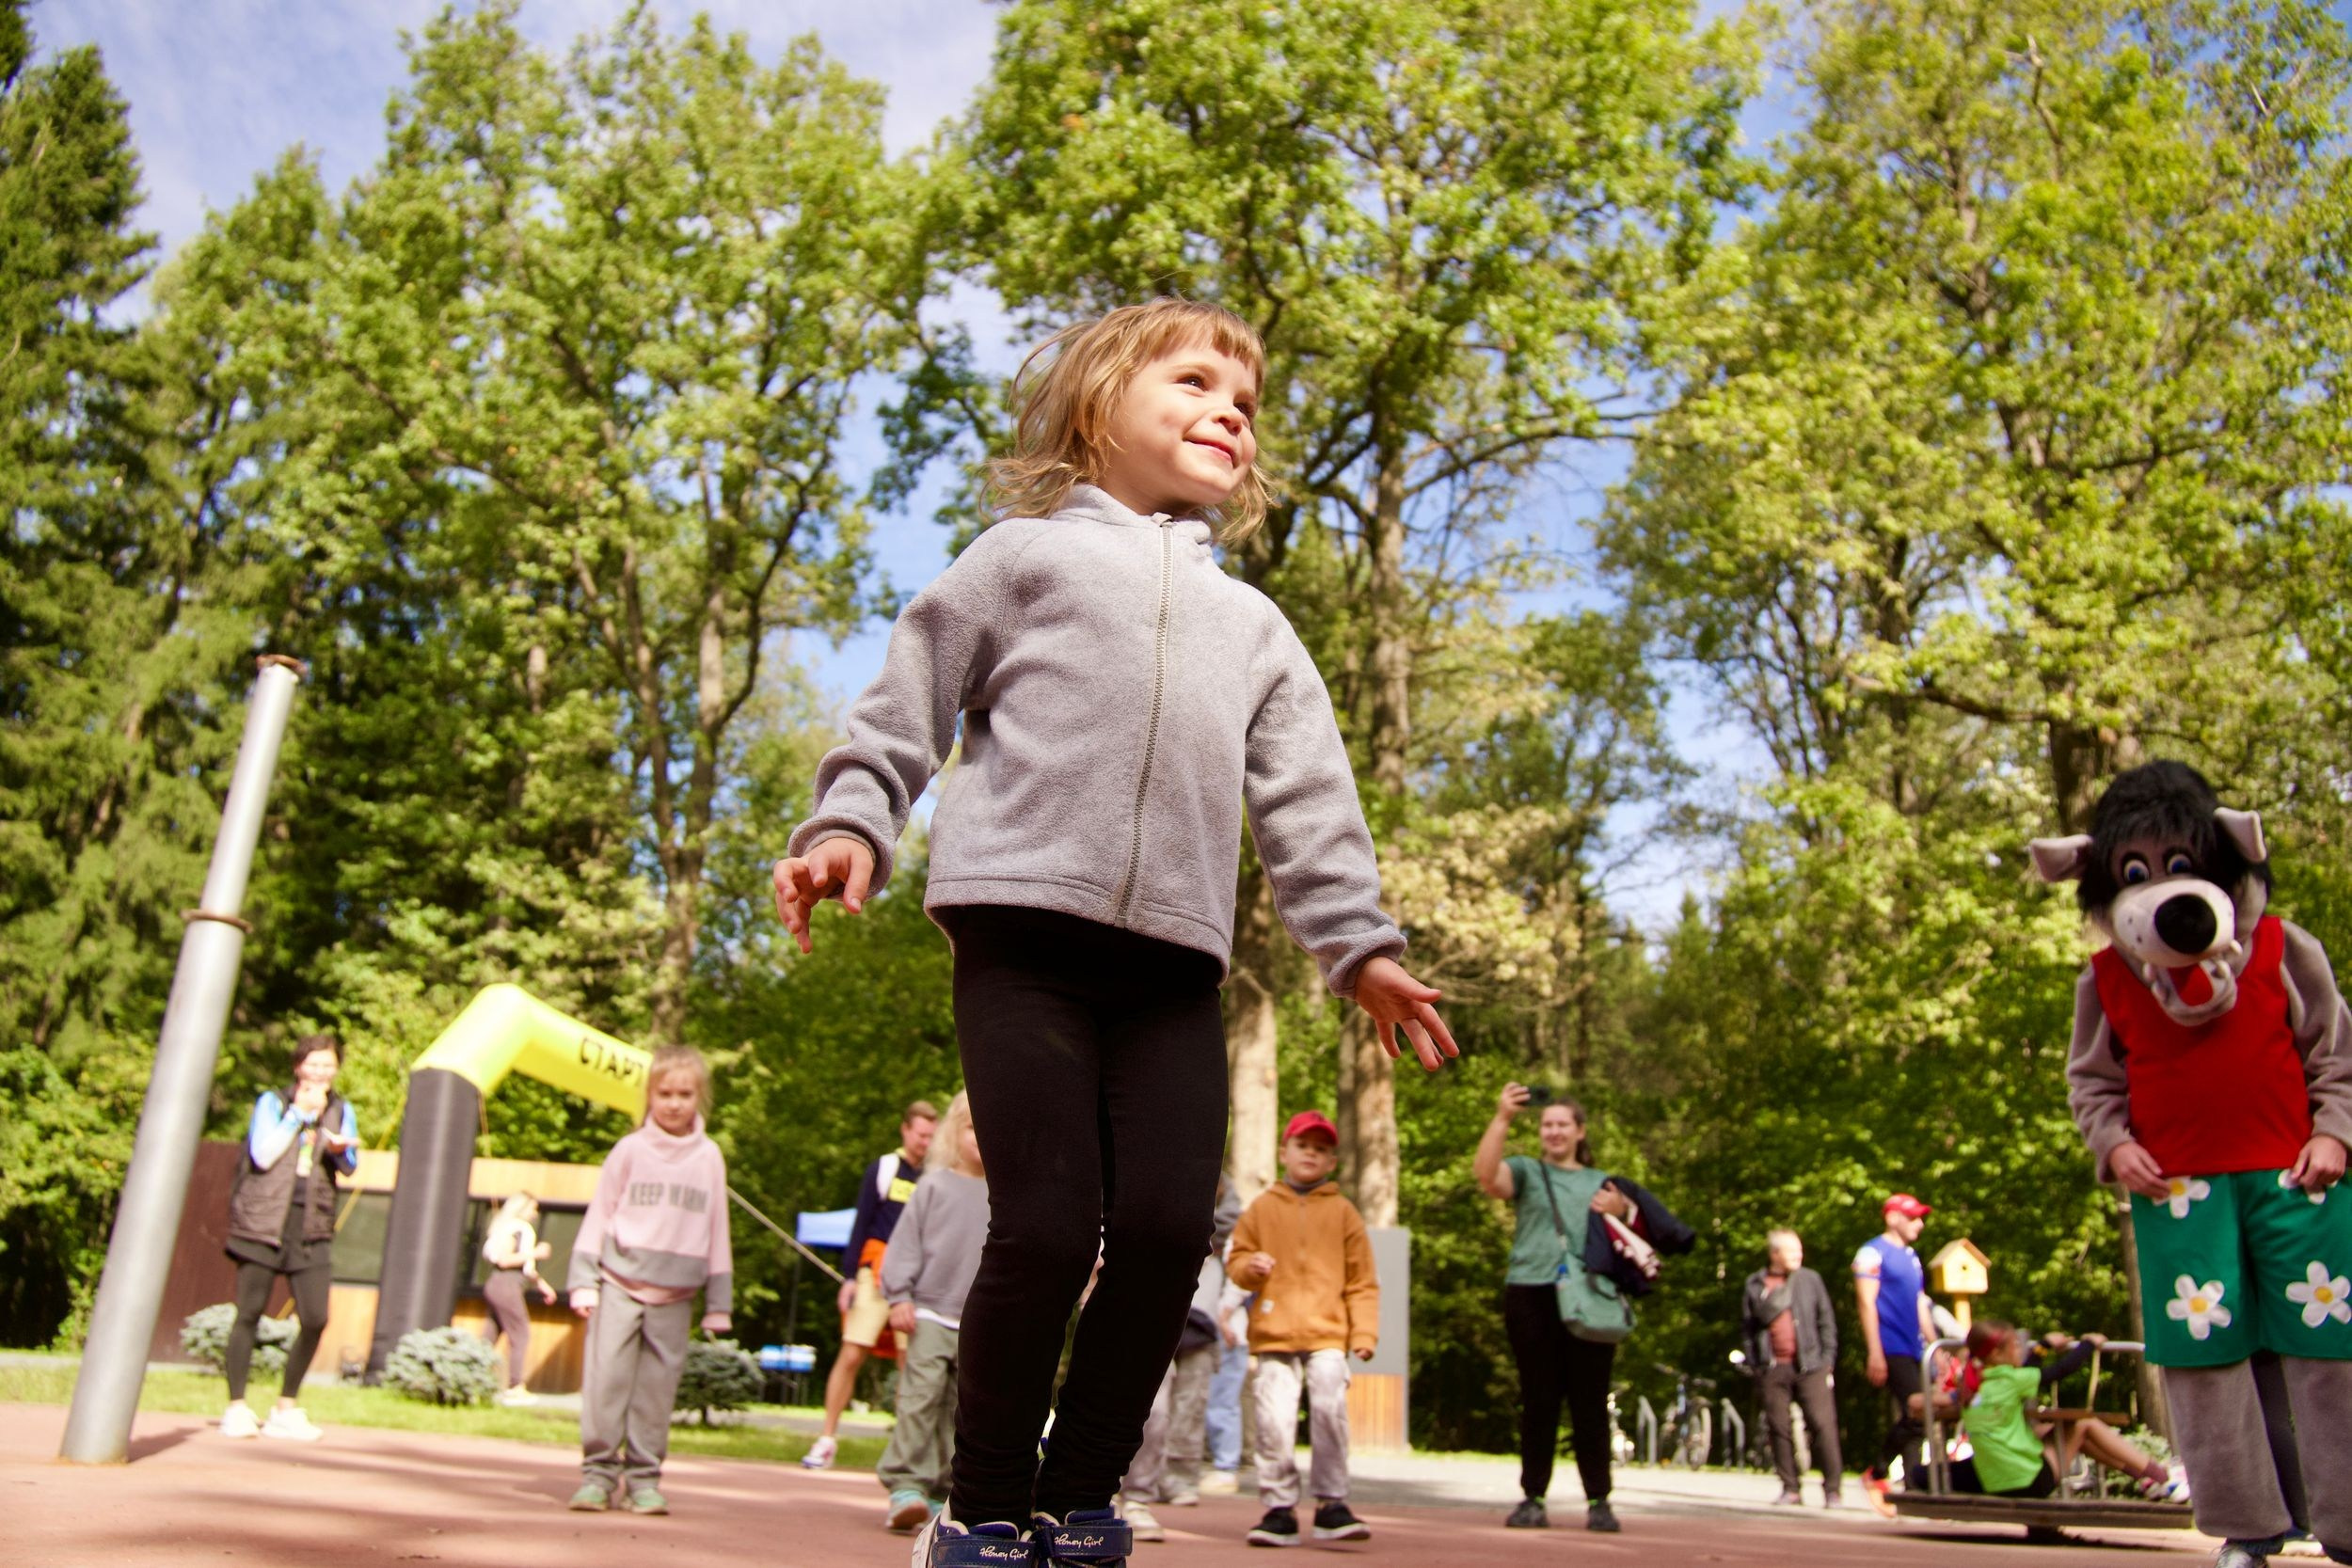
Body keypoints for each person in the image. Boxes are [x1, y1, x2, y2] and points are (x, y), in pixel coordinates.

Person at [773, 296, 1457, 1568]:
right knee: (1045, 1225)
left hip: (1170, 967)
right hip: (1023, 933)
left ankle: (1077, 1496)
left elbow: (1308, 799)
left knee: (1159, 1234)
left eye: (1246, 403)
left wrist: (1358, 946)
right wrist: (854, 821)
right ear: (1099, 406)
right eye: (1194, 382)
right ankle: (981, 1507)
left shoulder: (1252, 625)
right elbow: (906, 701)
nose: (1229, 414)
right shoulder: (1019, 559)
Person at [1474, 1084, 1692, 1535]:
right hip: (1532, 1292)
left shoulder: (1604, 1183)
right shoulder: (1528, 1171)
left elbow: (1649, 1232)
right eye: (1547, 1124)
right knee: (1539, 1400)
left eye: (1562, 1124)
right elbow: (1487, 1177)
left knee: (1590, 1402)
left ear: (1579, 1131)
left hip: (1591, 1297)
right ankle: (1532, 1498)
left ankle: (1599, 1501)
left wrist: (1623, 1209)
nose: (1554, 1131)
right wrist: (1502, 1117)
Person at [566, 1044, 734, 1516]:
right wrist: (583, 1279)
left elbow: (717, 1227)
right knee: (606, 1382)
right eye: (665, 1094)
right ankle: (597, 1476)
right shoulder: (630, 1149)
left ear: (699, 1097)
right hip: (619, 1282)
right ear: (650, 1096)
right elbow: (600, 1213)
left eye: (685, 1094)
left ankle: (643, 1480)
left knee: (656, 1393)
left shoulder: (709, 1157)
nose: (674, 1103)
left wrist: (719, 1302)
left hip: (676, 1293)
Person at [1225, 1112, 1378, 1548]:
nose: (1311, 1154)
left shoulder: (1344, 1212)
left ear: (1332, 1161)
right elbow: (1237, 1262)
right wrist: (1251, 1268)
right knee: (1274, 1419)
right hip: (1274, 1333)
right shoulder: (1262, 1208)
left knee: (1330, 1409)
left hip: (1328, 1335)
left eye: (1321, 1149)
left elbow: (1363, 1280)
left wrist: (1364, 1334)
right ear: (1284, 1153)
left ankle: (1332, 1504)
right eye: (1303, 1146)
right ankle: (1279, 1509)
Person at [217, 1033, 359, 1442]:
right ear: (298, 1067)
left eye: (328, 1065)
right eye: (313, 1064)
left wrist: (340, 1150)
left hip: (311, 1225)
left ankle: (286, 1407)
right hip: (263, 1222)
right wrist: (298, 1115)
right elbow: (262, 1154)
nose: (320, 1072)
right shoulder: (273, 1102)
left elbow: (350, 1165)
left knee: (316, 1317)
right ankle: (237, 1407)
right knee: (249, 1312)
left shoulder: (341, 1109)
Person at [877, 1092, 991, 1533]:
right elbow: (905, 1244)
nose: (980, 1137)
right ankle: (905, 1483)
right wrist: (899, 1296)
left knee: (962, 1408)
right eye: (972, 1127)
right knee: (920, 1398)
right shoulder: (933, 1186)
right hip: (928, 1312)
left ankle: (943, 1490)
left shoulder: (1006, 1195)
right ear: (953, 1132)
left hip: (979, 1323)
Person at [804, 1100, 939, 1472]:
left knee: (910, 1363)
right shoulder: (884, 1168)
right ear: (905, 1130)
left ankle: (905, 1452)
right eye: (921, 1134)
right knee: (852, 1353)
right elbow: (861, 1223)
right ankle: (826, 1439)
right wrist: (849, 1277)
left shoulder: (935, 1176)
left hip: (917, 1279)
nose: (926, 1142)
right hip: (875, 1272)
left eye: (932, 1136)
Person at [1120, 1175, 1243, 1540]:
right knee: (1152, 1406)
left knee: (1191, 1403)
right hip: (1150, 1305)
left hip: (1201, 1317)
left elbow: (1233, 1229)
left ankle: (1176, 1479)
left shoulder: (1221, 1187)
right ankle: (1130, 1489)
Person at [1933, 1323, 2172, 1498]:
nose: (2020, 1350)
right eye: (2015, 1345)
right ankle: (2164, 1477)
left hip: (1996, 1482)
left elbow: (2030, 1371)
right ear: (1996, 1354)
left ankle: (2146, 1478)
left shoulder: (1973, 1387)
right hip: (2029, 1480)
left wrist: (2043, 1346)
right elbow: (2060, 1370)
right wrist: (2089, 1344)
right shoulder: (2009, 1380)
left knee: (2068, 1432)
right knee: (2083, 1424)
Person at [1740, 1228, 1843, 1508]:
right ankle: (1791, 1488)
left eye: (1799, 1249)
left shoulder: (1810, 1280)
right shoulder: (1755, 1284)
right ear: (1775, 1254)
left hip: (1811, 1365)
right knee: (1778, 1428)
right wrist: (1756, 1364)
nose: (1799, 1254)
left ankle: (1833, 1490)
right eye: (1792, 1250)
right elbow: (1748, 1328)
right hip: (1773, 1367)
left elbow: (1826, 1321)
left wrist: (1827, 1360)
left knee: (1823, 1426)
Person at [1853, 1193, 1936, 1514]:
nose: (1920, 1224)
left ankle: (1913, 1489)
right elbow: (1866, 1302)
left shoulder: (1912, 1256)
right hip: (1890, 1345)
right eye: (1913, 1217)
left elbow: (1920, 1302)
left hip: (1915, 1347)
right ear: (1892, 1218)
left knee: (1919, 1416)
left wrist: (1936, 1347)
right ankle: (1877, 1472)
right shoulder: (1872, 1252)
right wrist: (1875, 1351)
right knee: (1919, 1410)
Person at [481, 1192, 558, 1405]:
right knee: (520, 1333)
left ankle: (472, 1377)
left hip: (501, 1283)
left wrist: (542, 1285)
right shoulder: (517, 1228)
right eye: (533, 1208)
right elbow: (505, 1260)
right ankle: (515, 1387)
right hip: (507, 1284)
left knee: (490, 1335)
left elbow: (524, 1268)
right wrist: (536, 1253)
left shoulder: (503, 1227)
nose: (535, 1214)